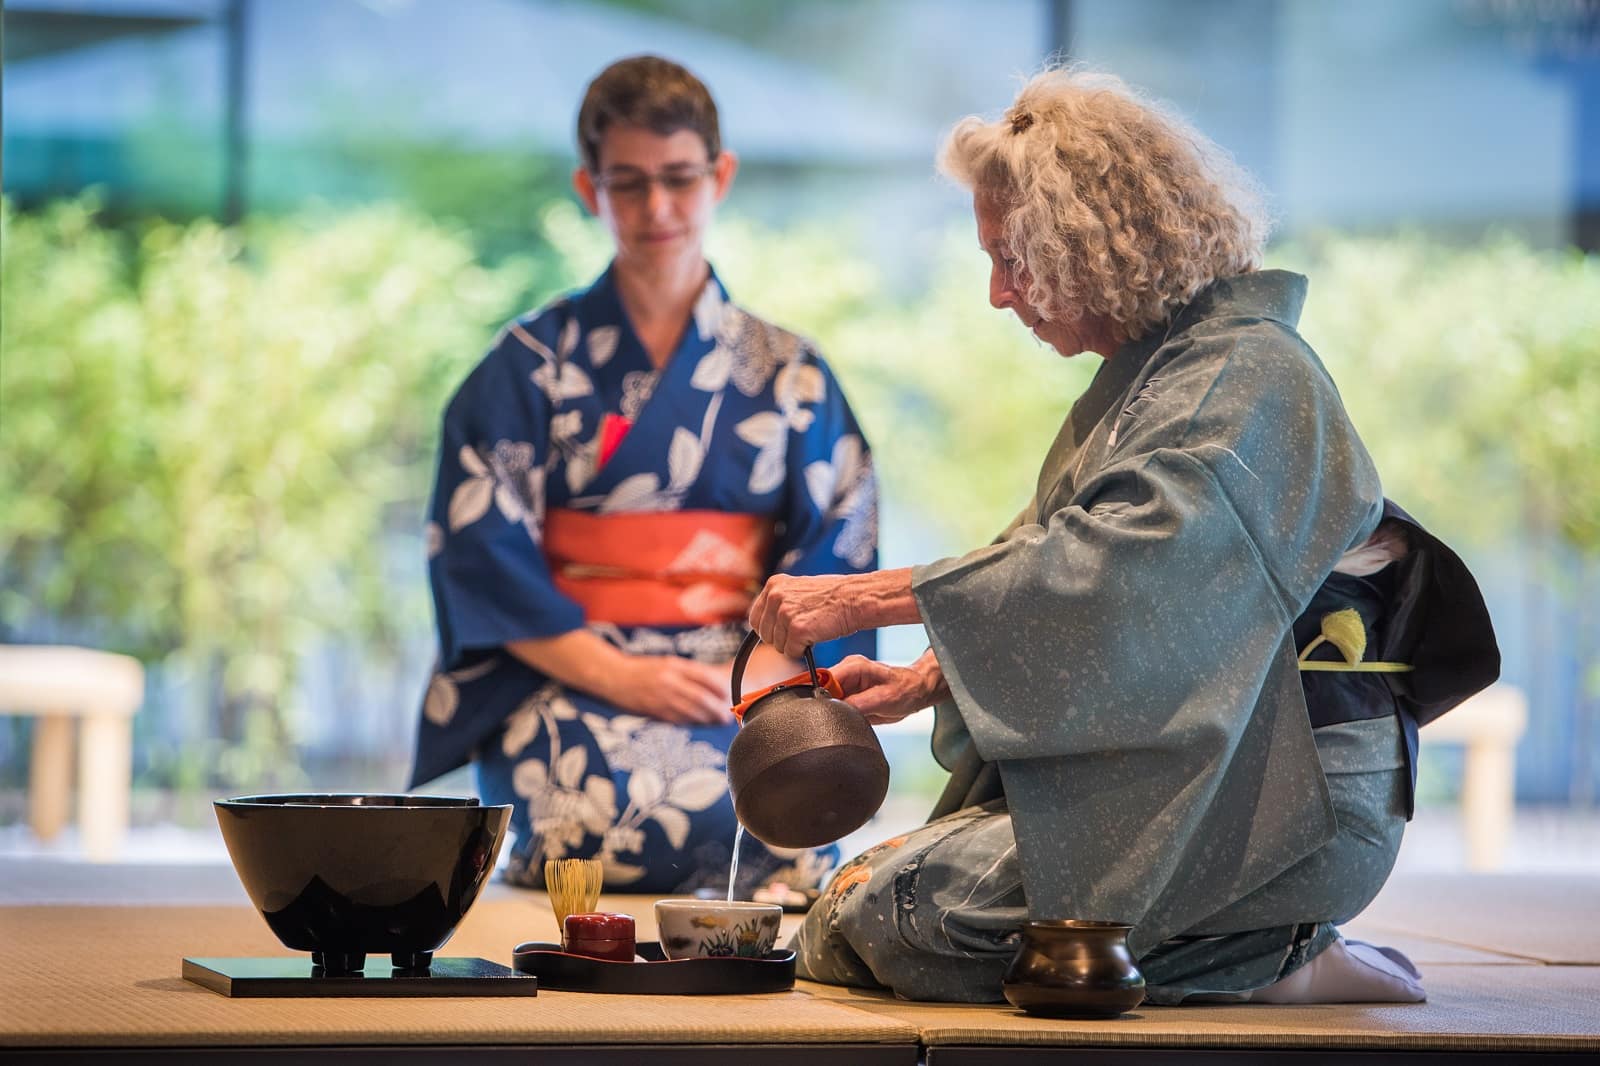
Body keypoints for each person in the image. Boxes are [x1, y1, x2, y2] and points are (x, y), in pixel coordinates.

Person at [746, 69, 1498, 1004]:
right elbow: (1079, 593)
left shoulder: (1251, 375)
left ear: (1088, 247)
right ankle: (1261, 943)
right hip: (1200, 772)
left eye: (1011, 259)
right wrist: (926, 677)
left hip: (1288, 797)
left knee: (909, 916)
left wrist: (860, 597)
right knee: (849, 903)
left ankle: (1280, 954)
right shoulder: (1158, 380)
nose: (995, 293)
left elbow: (1123, 575)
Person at [409, 55, 878, 897]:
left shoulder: (790, 375)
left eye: (678, 178)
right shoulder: (526, 368)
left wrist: (759, 687)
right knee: (576, 817)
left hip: (739, 678)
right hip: (571, 674)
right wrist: (620, 674)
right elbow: (481, 553)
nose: (656, 208)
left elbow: (836, 545)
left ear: (719, 175)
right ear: (590, 189)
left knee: (787, 813)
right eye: (627, 183)